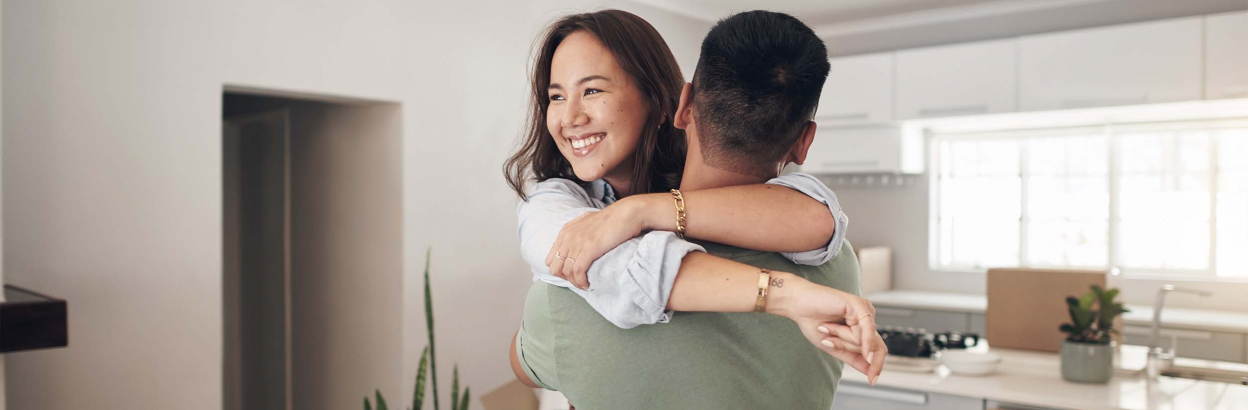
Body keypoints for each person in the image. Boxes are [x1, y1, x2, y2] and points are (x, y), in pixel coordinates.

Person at [505, 9, 886, 408]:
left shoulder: (567, 295)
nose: (570, 118)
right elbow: (820, 219)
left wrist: (639, 210)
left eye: (594, 90)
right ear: (804, 142)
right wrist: (787, 294)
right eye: (556, 96)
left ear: (678, 104)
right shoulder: (837, 268)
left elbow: (523, 361)